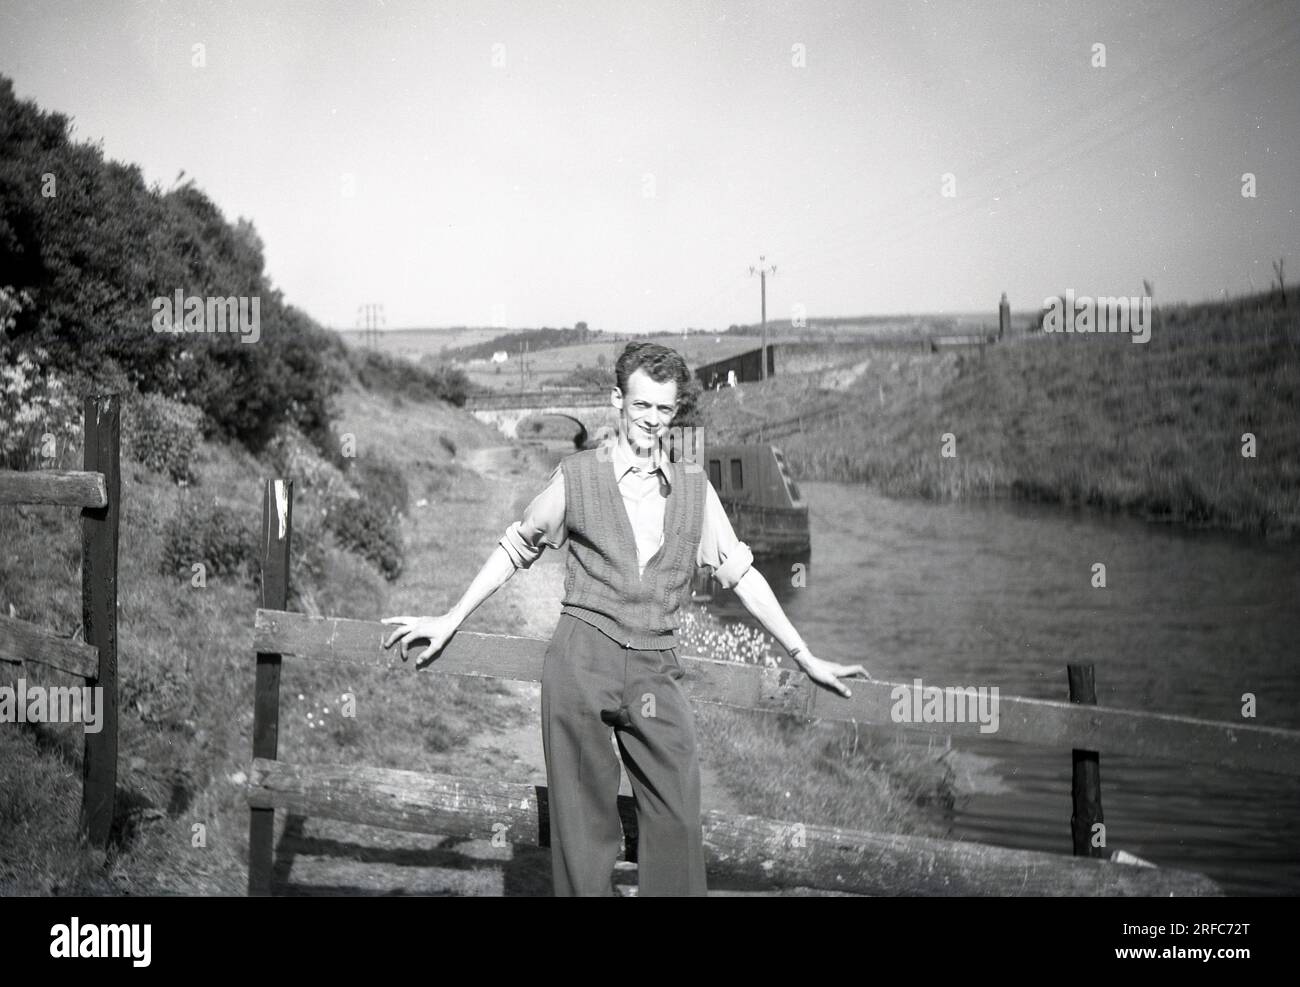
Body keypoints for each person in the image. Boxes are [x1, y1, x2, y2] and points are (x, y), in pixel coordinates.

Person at [382, 341, 869, 896]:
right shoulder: (576, 477)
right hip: (581, 658)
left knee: (678, 818)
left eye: (664, 411)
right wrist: (452, 617)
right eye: (642, 407)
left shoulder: (694, 489)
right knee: (582, 829)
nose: (653, 422)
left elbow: (744, 577)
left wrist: (802, 655)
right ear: (618, 401)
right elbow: (516, 548)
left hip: (656, 669)